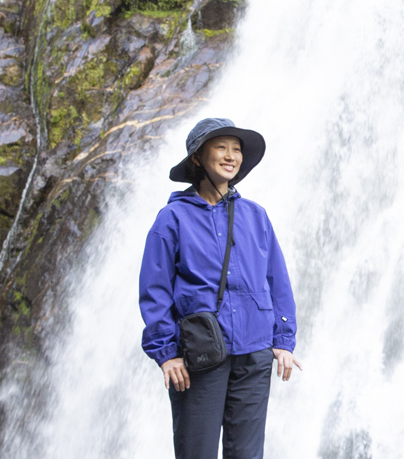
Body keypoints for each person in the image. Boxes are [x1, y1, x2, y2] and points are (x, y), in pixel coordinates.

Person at [139, 117, 302, 459]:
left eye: (237, 149)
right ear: (197, 157)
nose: (231, 156)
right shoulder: (172, 219)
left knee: (247, 454)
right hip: (200, 354)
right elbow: (155, 290)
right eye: (221, 147)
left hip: (255, 353)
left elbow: (277, 280)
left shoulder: (256, 216)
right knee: (196, 452)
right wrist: (166, 354)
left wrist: (283, 340)